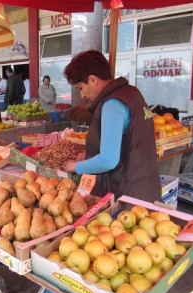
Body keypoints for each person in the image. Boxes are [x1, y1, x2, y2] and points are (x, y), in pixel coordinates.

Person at [64, 50, 161, 203]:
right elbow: (126, 141)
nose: (82, 95)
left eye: (80, 88)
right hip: (145, 187)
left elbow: (108, 160)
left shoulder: (112, 105)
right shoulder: (132, 93)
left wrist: (76, 167)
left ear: (93, 80)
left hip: (126, 194)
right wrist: (90, 153)